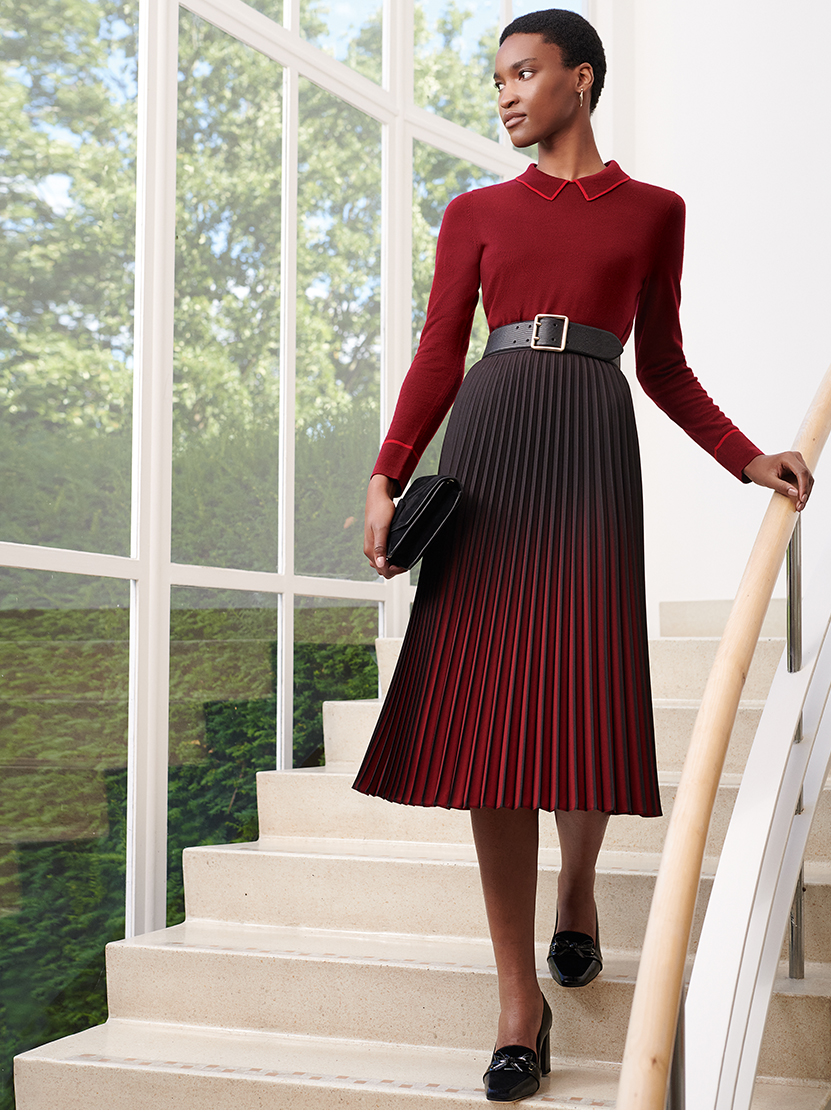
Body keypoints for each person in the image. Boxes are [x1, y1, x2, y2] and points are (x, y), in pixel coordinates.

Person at [354, 8, 813, 1103]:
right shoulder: (474, 212)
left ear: (581, 79)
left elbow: (663, 364)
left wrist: (747, 457)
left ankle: (578, 887)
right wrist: (385, 471)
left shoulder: (655, 213)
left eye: (524, 72)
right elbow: (438, 351)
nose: (506, 93)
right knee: (486, 723)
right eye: (497, 77)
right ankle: (520, 1001)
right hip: (492, 443)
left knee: (579, 698)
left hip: (592, 451)